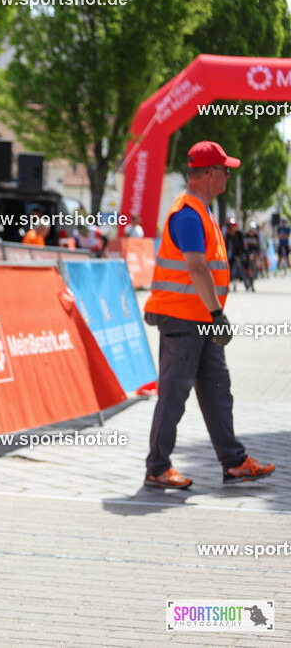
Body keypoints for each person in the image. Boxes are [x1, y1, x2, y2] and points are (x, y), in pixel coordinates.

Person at [142, 141, 275, 489]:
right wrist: (217, 314)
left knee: (218, 389)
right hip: (185, 319)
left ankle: (233, 462)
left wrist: (212, 316)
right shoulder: (187, 214)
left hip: (200, 319)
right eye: (225, 169)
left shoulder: (201, 211)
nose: (228, 175)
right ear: (210, 173)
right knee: (174, 393)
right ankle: (157, 467)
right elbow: (197, 268)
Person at [224, 218, 252, 292]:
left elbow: (244, 246)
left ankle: (250, 282)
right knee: (229, 267)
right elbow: (226, 246)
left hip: (242, 252)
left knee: (246, 266)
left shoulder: (239, 234)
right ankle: (228, 284)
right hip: (233, 253)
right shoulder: (228, 236)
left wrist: (244, 255)